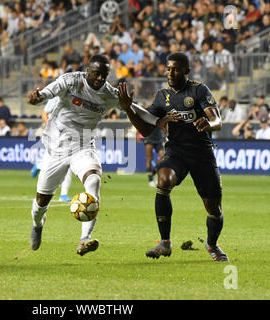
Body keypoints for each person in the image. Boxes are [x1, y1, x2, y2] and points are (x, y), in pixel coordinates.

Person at [27, 54, 177, 256]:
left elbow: (134, 108)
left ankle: (84, 239)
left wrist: (158, 121)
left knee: (94, 181)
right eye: (96, 74)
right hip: (57, 148)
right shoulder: (71, 81)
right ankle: (38, 224)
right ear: (87, 70)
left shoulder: (109, 93)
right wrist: (38, 97)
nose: (99, 79)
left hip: (83, 147)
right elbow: (47, 93)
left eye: (104, 75)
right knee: (40, 203)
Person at [118, 52, 229, 262]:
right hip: (176, 152)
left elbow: (217, 120)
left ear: (186, 70)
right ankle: (165, 243)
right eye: (168, 68)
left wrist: (209, 124)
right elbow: (146, 128)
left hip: (202, 154)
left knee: (214, 208)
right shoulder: (161, 96)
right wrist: (128, 109)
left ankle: (212, 244)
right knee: (164, 180)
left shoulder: (198, 90)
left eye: (175, 69)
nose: (170, 72)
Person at [30, 97, 73, 202]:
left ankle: (63, 195)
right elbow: (44, 114)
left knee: (67, 162)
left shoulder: (73, 98)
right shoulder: (55, 99)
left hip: (67, 133)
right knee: (62, 161)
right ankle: (40, 165)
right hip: (54, 134)